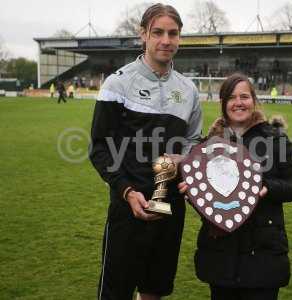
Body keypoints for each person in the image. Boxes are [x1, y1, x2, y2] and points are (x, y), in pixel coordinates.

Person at [89, 4, 202, 300]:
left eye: (173, 33)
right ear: (143, 35)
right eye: (158, 32)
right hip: (129, 206)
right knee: (116, 292)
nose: (166, 40)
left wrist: (185, 159)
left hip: (170, 207)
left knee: (155, 289)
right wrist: (126, 191)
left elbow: (193, 141)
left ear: (180, 38)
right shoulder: (118, 83)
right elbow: (100, 147)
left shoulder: (188, 90)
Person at [179, 73, 292, 300]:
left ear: (254, 101)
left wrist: (267, 186)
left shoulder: (275, 139)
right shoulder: (208, 145)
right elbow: (205, 197)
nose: (238, 102)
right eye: (231, 97)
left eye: (244, 96)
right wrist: (193, 193)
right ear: (223, 104)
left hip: (263, 252)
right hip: (220, 253)